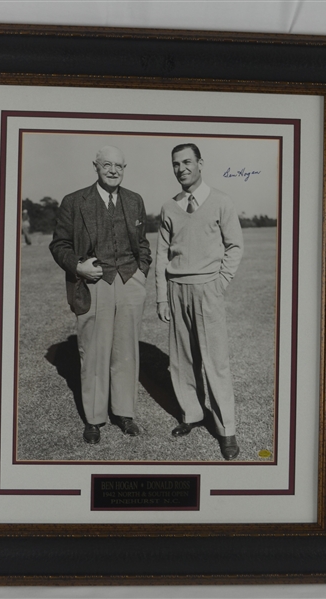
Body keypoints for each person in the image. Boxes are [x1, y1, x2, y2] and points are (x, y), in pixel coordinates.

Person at [50, 146, 151, 444]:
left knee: (126, 352)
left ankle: (125, 414)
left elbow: (142, 243)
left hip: (129, 280)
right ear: (95, 166)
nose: (113, 170)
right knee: (93, 353)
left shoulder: (134, 200)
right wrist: (79, 267)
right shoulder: (74, 201)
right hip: (94, 283)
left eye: (119, 165)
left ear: (124, 168)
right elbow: (59, 245)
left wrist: (141, 272)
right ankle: (94, 419)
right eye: (107, 164)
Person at [155, 143, 244, 460]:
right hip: (177, 288)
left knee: (216, 361)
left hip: (208, 289)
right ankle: (191, 415)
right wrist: (162, 297)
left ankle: (226, 429)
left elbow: (235, 246)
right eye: (176, 164)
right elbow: (162, 255)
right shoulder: (169, 207)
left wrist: (220, 282)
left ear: (200, 163)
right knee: (181, 360)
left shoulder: (221, 201)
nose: (181, 169)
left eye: (187, 162)